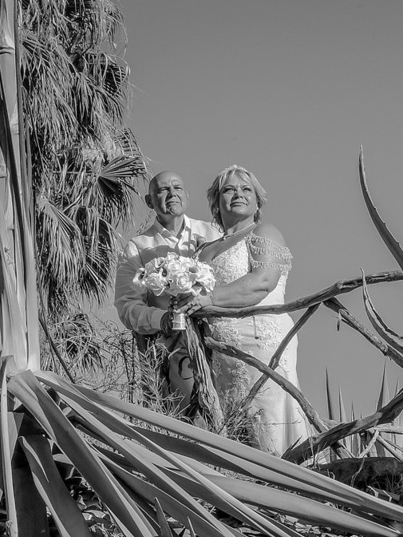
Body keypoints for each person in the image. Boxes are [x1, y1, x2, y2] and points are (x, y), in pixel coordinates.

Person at [180, 165, 310, 454]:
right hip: (220, 352)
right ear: (216, 201)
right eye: (229, 189)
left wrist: (207, 299)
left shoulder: (265, 232)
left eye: (245, 189)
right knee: (232, 423)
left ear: (257, 201)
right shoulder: (204, 251)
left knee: (269, 414)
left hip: (261, 340)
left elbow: (262, 282)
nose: (237, 194)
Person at [113, 171, 221, 409]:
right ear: (149, 201)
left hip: (220, 344)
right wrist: (162, 319)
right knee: (188, 424)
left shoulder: (213, 234)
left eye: (177, 188)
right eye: (163, 189)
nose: (172, 194)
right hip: (173, 354)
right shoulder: (138, 247)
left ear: (187, 196)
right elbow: (127, 305)